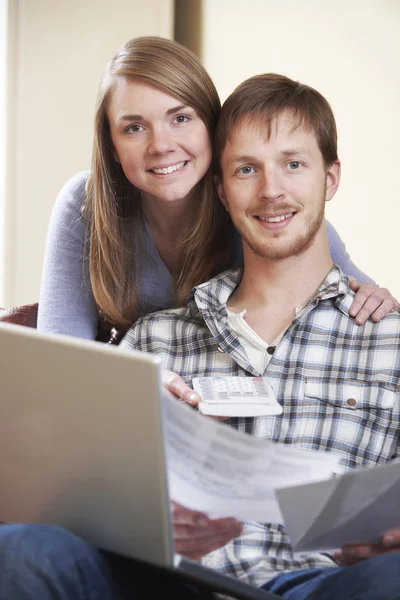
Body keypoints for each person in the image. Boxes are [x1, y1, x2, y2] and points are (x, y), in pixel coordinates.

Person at [0, 73, 399, 600]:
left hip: (319, 585)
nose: (271, 190)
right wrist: (130, 512)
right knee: (24, 549)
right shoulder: (151, 344)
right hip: (168, 582)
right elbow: (63, 486)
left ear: (330, 178)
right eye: (246, 169)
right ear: (219, 189)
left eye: (293, 164)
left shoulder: (388, 340)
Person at [37, 36, 397, 343]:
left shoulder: (260, 208)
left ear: (212, 126)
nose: (161, 145)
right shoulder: (85, 206)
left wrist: (377, 300)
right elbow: (60, 356)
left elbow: (358, 293)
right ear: (111, 146)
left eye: (180, 118)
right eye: (134, 128)